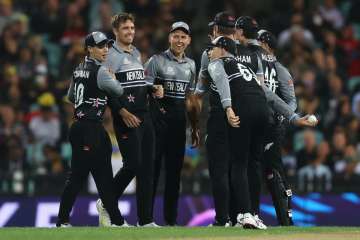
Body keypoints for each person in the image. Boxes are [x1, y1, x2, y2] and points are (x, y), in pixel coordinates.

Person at [96, 13, 162, 227]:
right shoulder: (110, 56)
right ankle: (105, 202)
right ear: (115, 31)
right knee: (133, 164)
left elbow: (138, 82)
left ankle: (145, 220)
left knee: (147, 170)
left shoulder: (135, 52)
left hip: (145, 115)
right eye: (126, 28)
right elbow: (106, 89)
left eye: (132, 28)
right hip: (125, 117)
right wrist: (122, 112)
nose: (130, 32)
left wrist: (152, 88)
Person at [56, 31, 127, 227]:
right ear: (89, 49)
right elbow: (118, 91)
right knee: (92, 178)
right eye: (100, 46)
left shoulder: (78, 69)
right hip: (91, 128)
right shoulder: (102, 72)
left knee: (88, 177)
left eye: (106, 46)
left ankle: (116, 221)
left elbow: (71, 97)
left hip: (80, 126)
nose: (105, 50)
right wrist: (111, 79)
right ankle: (116, 222)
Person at [207, 35, 269, 229]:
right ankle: (255, 213)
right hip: (263, 111)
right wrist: (291, 115)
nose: (210, 52)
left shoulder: (218, 63)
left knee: (238, 164)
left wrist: (227, 107)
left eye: (213, 47)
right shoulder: (246, 67)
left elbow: (222, 81)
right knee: (254, 163)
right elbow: (266, 92)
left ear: (223, 49)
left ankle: (245, 214)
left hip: (245, 109)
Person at [144, 21, 196, 226]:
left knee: (174, 175)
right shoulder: (156, 60)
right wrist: (153, 88)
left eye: (183, 37)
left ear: (189, 40)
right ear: (169, 38)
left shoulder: (191, 64)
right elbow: (141, 84)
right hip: (157, 122)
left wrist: (194, 127)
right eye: (176, 36)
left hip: (178, 123)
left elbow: (190, 97)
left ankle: (171, 221)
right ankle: (146, 218)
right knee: (153, 172)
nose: (179, 40)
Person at [258, 29, 296, 226]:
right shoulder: (255, 65)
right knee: (261, 170)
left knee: (274, 171)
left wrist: (282, 117)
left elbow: (292, 101)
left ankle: (286, 219)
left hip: (275, 125)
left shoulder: (279, 69)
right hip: (259, 124)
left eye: (258, 41)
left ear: (266, 45)